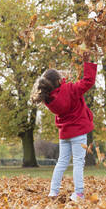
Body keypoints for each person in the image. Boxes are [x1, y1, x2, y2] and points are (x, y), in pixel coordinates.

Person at [31, 52, 97, 201]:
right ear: (59, 80)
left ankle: (53, 192)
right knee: (78, 163)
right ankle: (79, 193)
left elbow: (62, 91)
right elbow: (88, 81)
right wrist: (88, 62)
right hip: (78, 132)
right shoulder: (71, 89)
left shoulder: (49, 100)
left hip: (65, 134)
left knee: (62, 162)